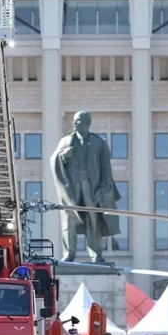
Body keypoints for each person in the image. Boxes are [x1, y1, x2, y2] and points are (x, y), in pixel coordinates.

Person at [50, 111, 121, 263]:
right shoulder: (66, 141)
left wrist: (102, 189)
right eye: (74, 121)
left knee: (93, 218)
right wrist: (63, 156)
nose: (75, 124)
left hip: (91, 186)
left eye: (79, 121)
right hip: (72, 187)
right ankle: (69, 254)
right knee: (69, 218)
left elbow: (106, 170)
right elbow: (54, 159)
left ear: (87, 123)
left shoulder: (99, 143)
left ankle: (96, 254)